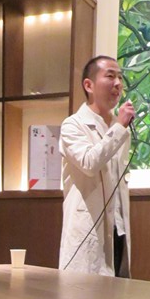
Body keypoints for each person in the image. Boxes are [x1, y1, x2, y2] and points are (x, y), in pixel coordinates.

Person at [59, 56, 135, 276]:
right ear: (89, 85)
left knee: (117, 295)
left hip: (118, 232)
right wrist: (120, 127)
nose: (117, 83)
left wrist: (119, 127)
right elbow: (89, 163)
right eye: (110, 76)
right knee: (83, 294)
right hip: (87, 233)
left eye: (120, 77)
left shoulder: (118, 127)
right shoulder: (73, 125)